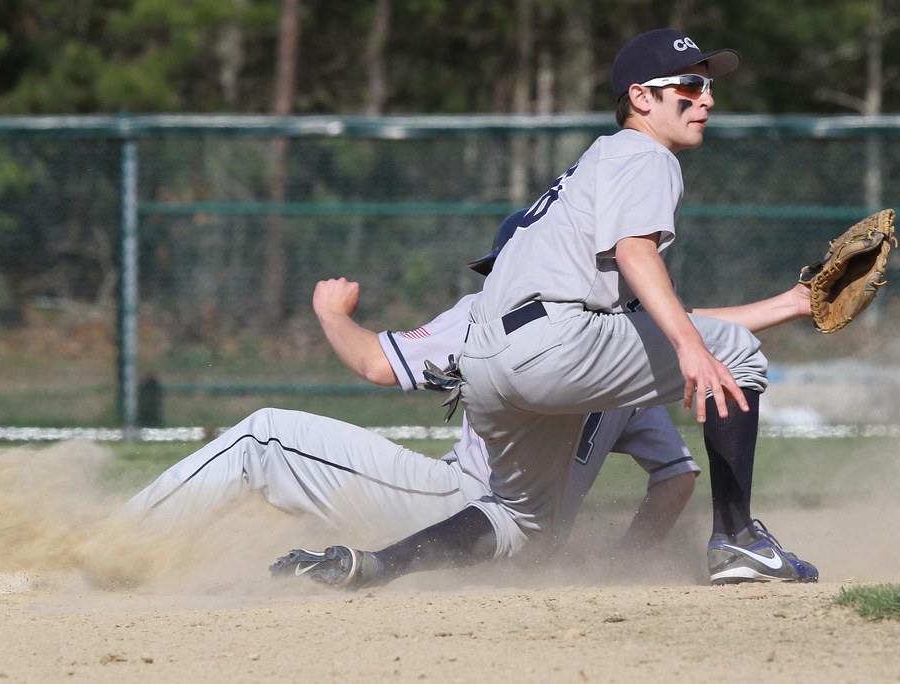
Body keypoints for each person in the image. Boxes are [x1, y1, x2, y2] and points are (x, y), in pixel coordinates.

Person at [273, 28, 819, 588]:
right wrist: (692, 348)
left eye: (707, 85)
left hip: (487, 360)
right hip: (557, 341)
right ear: (641, 97)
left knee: (520, 517)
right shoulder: (646, 153)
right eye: (689, 84)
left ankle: (380, 565)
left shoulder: (596, 165)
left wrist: (793, 302)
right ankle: (736, 539)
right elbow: (638, 254)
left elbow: (670, 314)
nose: (706, 97)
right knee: (738, 355)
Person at [127, 212, 701, 564]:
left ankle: (112, 546)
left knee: (265, 440)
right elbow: (676, 479)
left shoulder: (498, 314)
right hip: (527, 543)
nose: (497, 280)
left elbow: (376, 363)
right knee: (308, 503)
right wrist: (624, 565)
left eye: (502, 269)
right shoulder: (624, 352)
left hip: (463, 508)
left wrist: (330, 314)